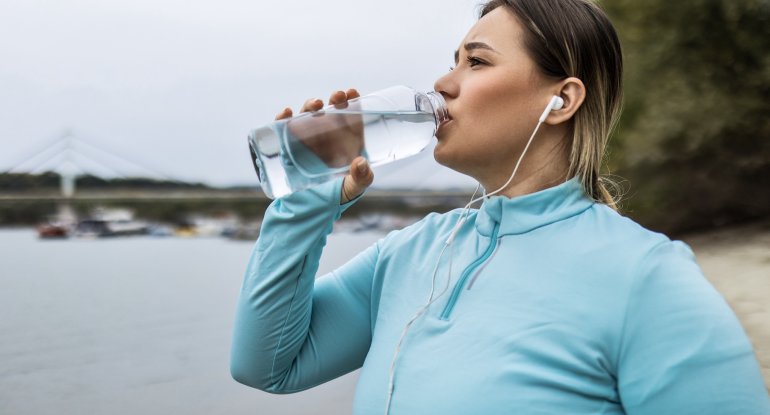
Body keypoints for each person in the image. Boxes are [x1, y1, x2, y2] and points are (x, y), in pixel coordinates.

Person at [230, 0, 770, 413]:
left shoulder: (646, 277)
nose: (443, 83)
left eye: (477, 62)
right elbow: (269, 366)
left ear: (561, 100)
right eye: (453, 62)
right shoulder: (408, 253)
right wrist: (304, 207)